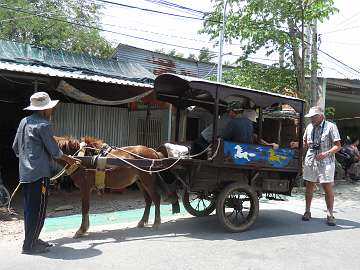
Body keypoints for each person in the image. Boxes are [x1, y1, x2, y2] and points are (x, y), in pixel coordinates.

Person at [12, 92, 80, 254]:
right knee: (39, 210)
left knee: (30, 209)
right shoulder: (44, 124)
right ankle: (29, 246)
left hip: (25, 174)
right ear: (44, 110)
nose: (52, 111)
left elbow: (15, 147)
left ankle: (33, 239)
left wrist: (27, 159)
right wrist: (70, 160)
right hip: (39, 174)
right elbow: (55, 152)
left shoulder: (24, 122)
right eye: (50, 108)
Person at [301, 106, 341, 226]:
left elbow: (338, 146)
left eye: (314, 117)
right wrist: (298, 145)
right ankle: (307, 211)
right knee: (309, 185)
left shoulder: (330, 126)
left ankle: (330, 214)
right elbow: (305, 143)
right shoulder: (309, 127)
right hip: (311, 160)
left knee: (327, 187)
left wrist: (326, 153)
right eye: (310, 117)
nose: (311, 119)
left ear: (321, 116)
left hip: (326, 161)